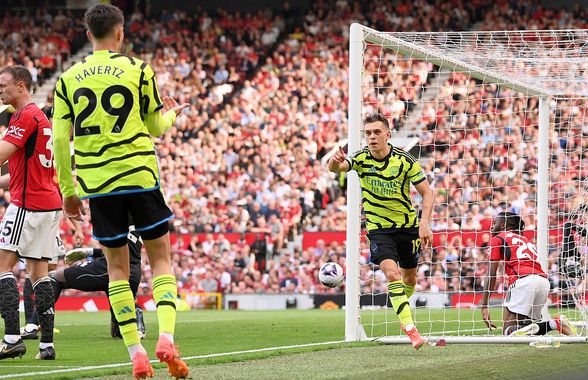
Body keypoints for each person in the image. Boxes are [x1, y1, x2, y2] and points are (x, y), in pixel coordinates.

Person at [52, 4, 189, 378]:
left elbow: (61, 141)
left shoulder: (68, 79)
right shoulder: (138, 69)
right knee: (160, 261)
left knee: (115, 271)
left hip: (98, 184)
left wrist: (68, 189)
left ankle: (136, 354)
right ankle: (167, 339)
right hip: (140, 176)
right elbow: (155, 126)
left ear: (87, 35)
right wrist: (175, 113)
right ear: (121, 33)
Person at [327, 113, 434, 349]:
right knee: (392, 275)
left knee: (410, 279)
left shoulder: (405, 161)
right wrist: (335, 160)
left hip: (408, 227)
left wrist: (424, 222)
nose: (372, 137)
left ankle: (402, 311)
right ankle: (411, 329)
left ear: (388, 134)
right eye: (368, 133)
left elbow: (427, 192)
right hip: (379, 229)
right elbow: (336, 168)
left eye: (376, 132)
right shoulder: (361, 158)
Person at [0, 65, 63, 360]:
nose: (1, 89)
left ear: (22, 86)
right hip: (48, 204)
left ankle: (12, 338)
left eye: (4, 84)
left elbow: (2, 154)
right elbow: (21, 169)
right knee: (40, 274)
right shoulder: (39, 117)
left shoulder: (25, 115)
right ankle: (47, 344)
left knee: (2, 267)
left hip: (28, 205)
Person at [21, 228, 146, 341]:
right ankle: (136, 314)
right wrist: (90, 252)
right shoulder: (137, 219)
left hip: (110, 268)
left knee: (57, 278)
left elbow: (114, 252)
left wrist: (89, 252)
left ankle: (33, 324)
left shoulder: (116, 213)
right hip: (133, 272)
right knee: (118, 332)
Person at [481, 212, 576, 336]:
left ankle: (553, 323)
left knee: (508, 332)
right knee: (526, 329)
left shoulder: (498, 238)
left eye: (494, 223)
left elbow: (491, 273)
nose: (492, 226)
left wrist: (484, 305)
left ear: (503, 225)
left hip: (523, 281)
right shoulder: (525, 240)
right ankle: (555, 323)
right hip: (542, 281)